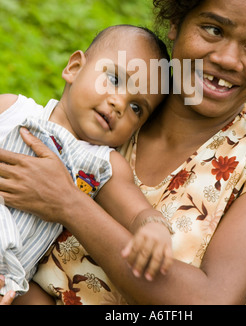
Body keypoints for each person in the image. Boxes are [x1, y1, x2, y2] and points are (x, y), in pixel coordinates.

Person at [0, 0, 246, 305]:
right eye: (213, 29)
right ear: (176, 23)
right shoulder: (110, 116)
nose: (229, 59)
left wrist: (70, 205)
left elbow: (211, 300)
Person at [0, 24, 174, 304]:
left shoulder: (102, 164)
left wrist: (154, 227)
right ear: (75, 67)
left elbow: (137, 212)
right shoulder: (11, 109)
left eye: (136, 108)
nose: (119, 102)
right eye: (115, 79)